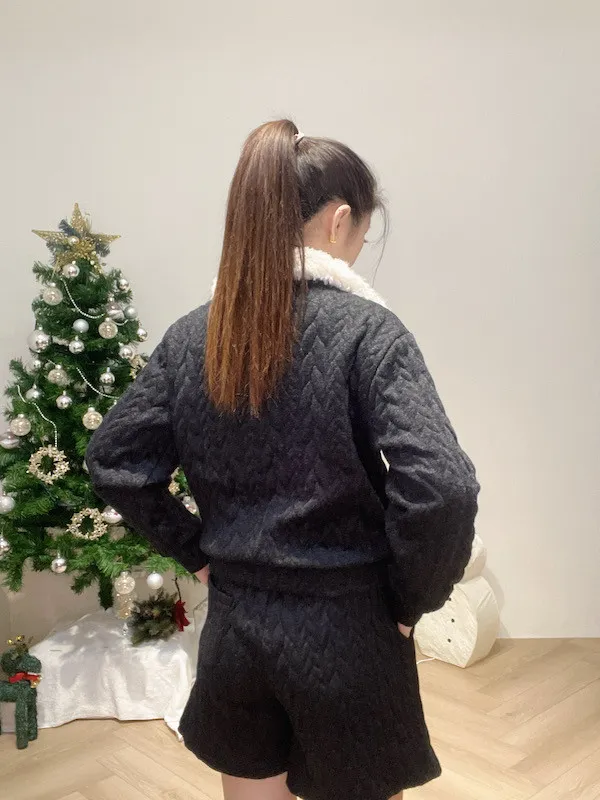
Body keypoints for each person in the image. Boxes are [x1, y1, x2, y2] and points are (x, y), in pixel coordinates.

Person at [86, 119, 479, 800]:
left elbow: (115, 459)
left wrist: (197, 553)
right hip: (349, 637)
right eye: (361, 236)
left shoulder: (194, 336)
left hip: (237, 633)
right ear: (339, 220)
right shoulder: (370, 332)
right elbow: (443, 487)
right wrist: (411, 599)